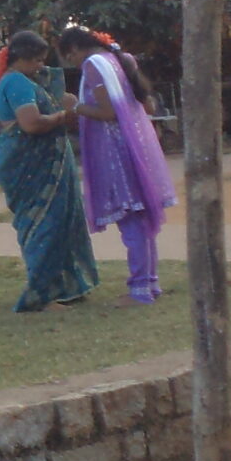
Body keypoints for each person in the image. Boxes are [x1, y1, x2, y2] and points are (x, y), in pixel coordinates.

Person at [58, 26, 175, 306]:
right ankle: (149, 283)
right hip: (136, 146)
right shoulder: (119, 59)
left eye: (69, 56)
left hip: (116, 151)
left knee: (132, 219)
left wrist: (75, 107)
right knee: (141, 220)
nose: (72, 63)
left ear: (74, 49)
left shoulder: (94, 65)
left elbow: (108, 113)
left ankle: (139, 289)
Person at [0, 31, 98, 312]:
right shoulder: (15, 82)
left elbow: (61, 98)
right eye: (36, 61)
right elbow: (31, 124)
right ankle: (42, 295)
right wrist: (64, 117)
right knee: (43, 224)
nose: (40, 66)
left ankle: (67, 286)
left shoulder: (31, 80)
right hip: (27, 164)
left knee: (62, 220)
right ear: (20, 58)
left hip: (47, 161)